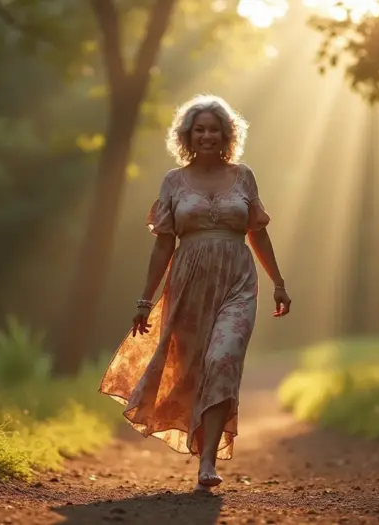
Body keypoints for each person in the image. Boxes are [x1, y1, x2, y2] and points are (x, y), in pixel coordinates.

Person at [98, 93, 291, 492]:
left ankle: (207, 461)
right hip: (188, 285)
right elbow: (163, 245)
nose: (207, 136)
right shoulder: (173, 181)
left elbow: (258, 233)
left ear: (226, 135)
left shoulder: (244, 176)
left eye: (214, 129)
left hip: (237, 282)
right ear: (187, 135)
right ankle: (200, 443)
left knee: (222, 359)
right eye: (199, 129)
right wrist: (145, 300)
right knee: (191, 371)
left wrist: (279, 283)